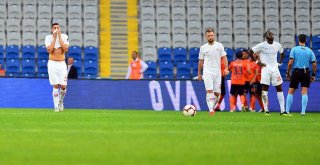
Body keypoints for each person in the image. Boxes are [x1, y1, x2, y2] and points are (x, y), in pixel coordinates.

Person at [248, 31, 289, 116]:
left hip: (275, 69)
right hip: (266, 69)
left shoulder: (277, 44)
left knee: (279, 88)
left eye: (272, 34)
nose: (271, 35)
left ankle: (283, 110)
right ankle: (266, 110)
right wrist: (257, 62)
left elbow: (282, 53)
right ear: (266, 37)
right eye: (269, 34)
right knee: (265, 88)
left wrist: (279, 62)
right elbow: (250, 51)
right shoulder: (262, 45)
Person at [198, 27, 229, 116]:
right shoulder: (203, 48)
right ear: (206, 36)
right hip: (207, 72)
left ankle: (212, 106)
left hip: (217, 72)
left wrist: (226, 68)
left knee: (217, 93)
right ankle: (211, 109)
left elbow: (224, 58)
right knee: (209, 91)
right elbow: (200, 61)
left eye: (211, 35)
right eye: (209, 36)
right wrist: (199, 74)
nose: (210, 37)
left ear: (214, 35)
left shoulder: (219, 46)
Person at [285, 34, 317, 116]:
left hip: (296, 71)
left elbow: (290, 63)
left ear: (298, 40)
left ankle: (287, 111)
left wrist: (287, 72)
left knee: (291, 91)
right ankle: (303, 111)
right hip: (306, 72)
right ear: (306, 41)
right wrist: (313, 74)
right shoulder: (309, 50)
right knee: (304, 92)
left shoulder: (294, 49)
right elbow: (314, 64)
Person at [45, 23, 69, 112]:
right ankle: (56, 106)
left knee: (63, 86)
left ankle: (61, 101)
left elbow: (66, 49)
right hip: (52, 63)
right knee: (55, 85)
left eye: (58, 28)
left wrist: (59, 37)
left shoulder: (64, 36)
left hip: (62, 64)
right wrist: (54, 38)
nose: (56, 29)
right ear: (52, 29)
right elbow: (49, 50)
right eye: (54, 28)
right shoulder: (48, 38)